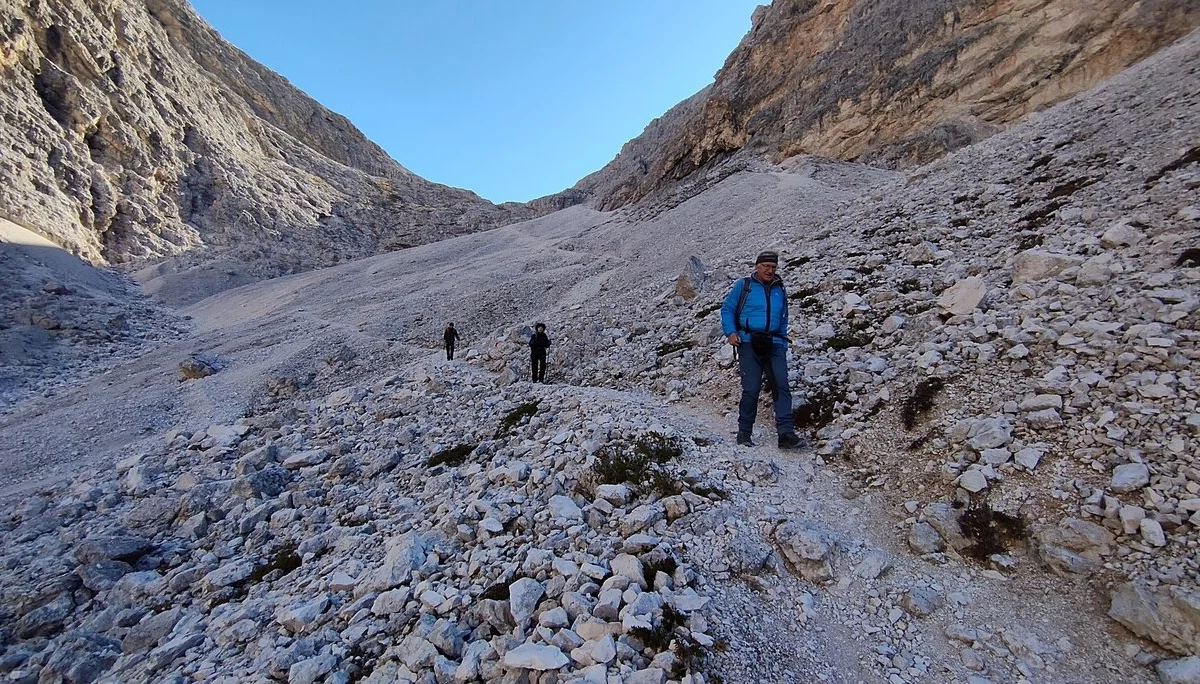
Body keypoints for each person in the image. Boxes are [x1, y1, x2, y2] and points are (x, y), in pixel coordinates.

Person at [720, 250, 804, 449]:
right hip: (748, 342)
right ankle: (744, 432)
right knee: (751, 388)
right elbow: (727, 309)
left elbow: (783, 316)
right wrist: (731, 332)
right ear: (757, 266)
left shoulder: (780, 288)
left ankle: (786, 434)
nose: (770, 270)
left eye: (773, 267)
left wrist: (782, 342)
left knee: (781, 385)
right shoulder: (744, 286)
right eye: (766, 266)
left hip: (774, 343)